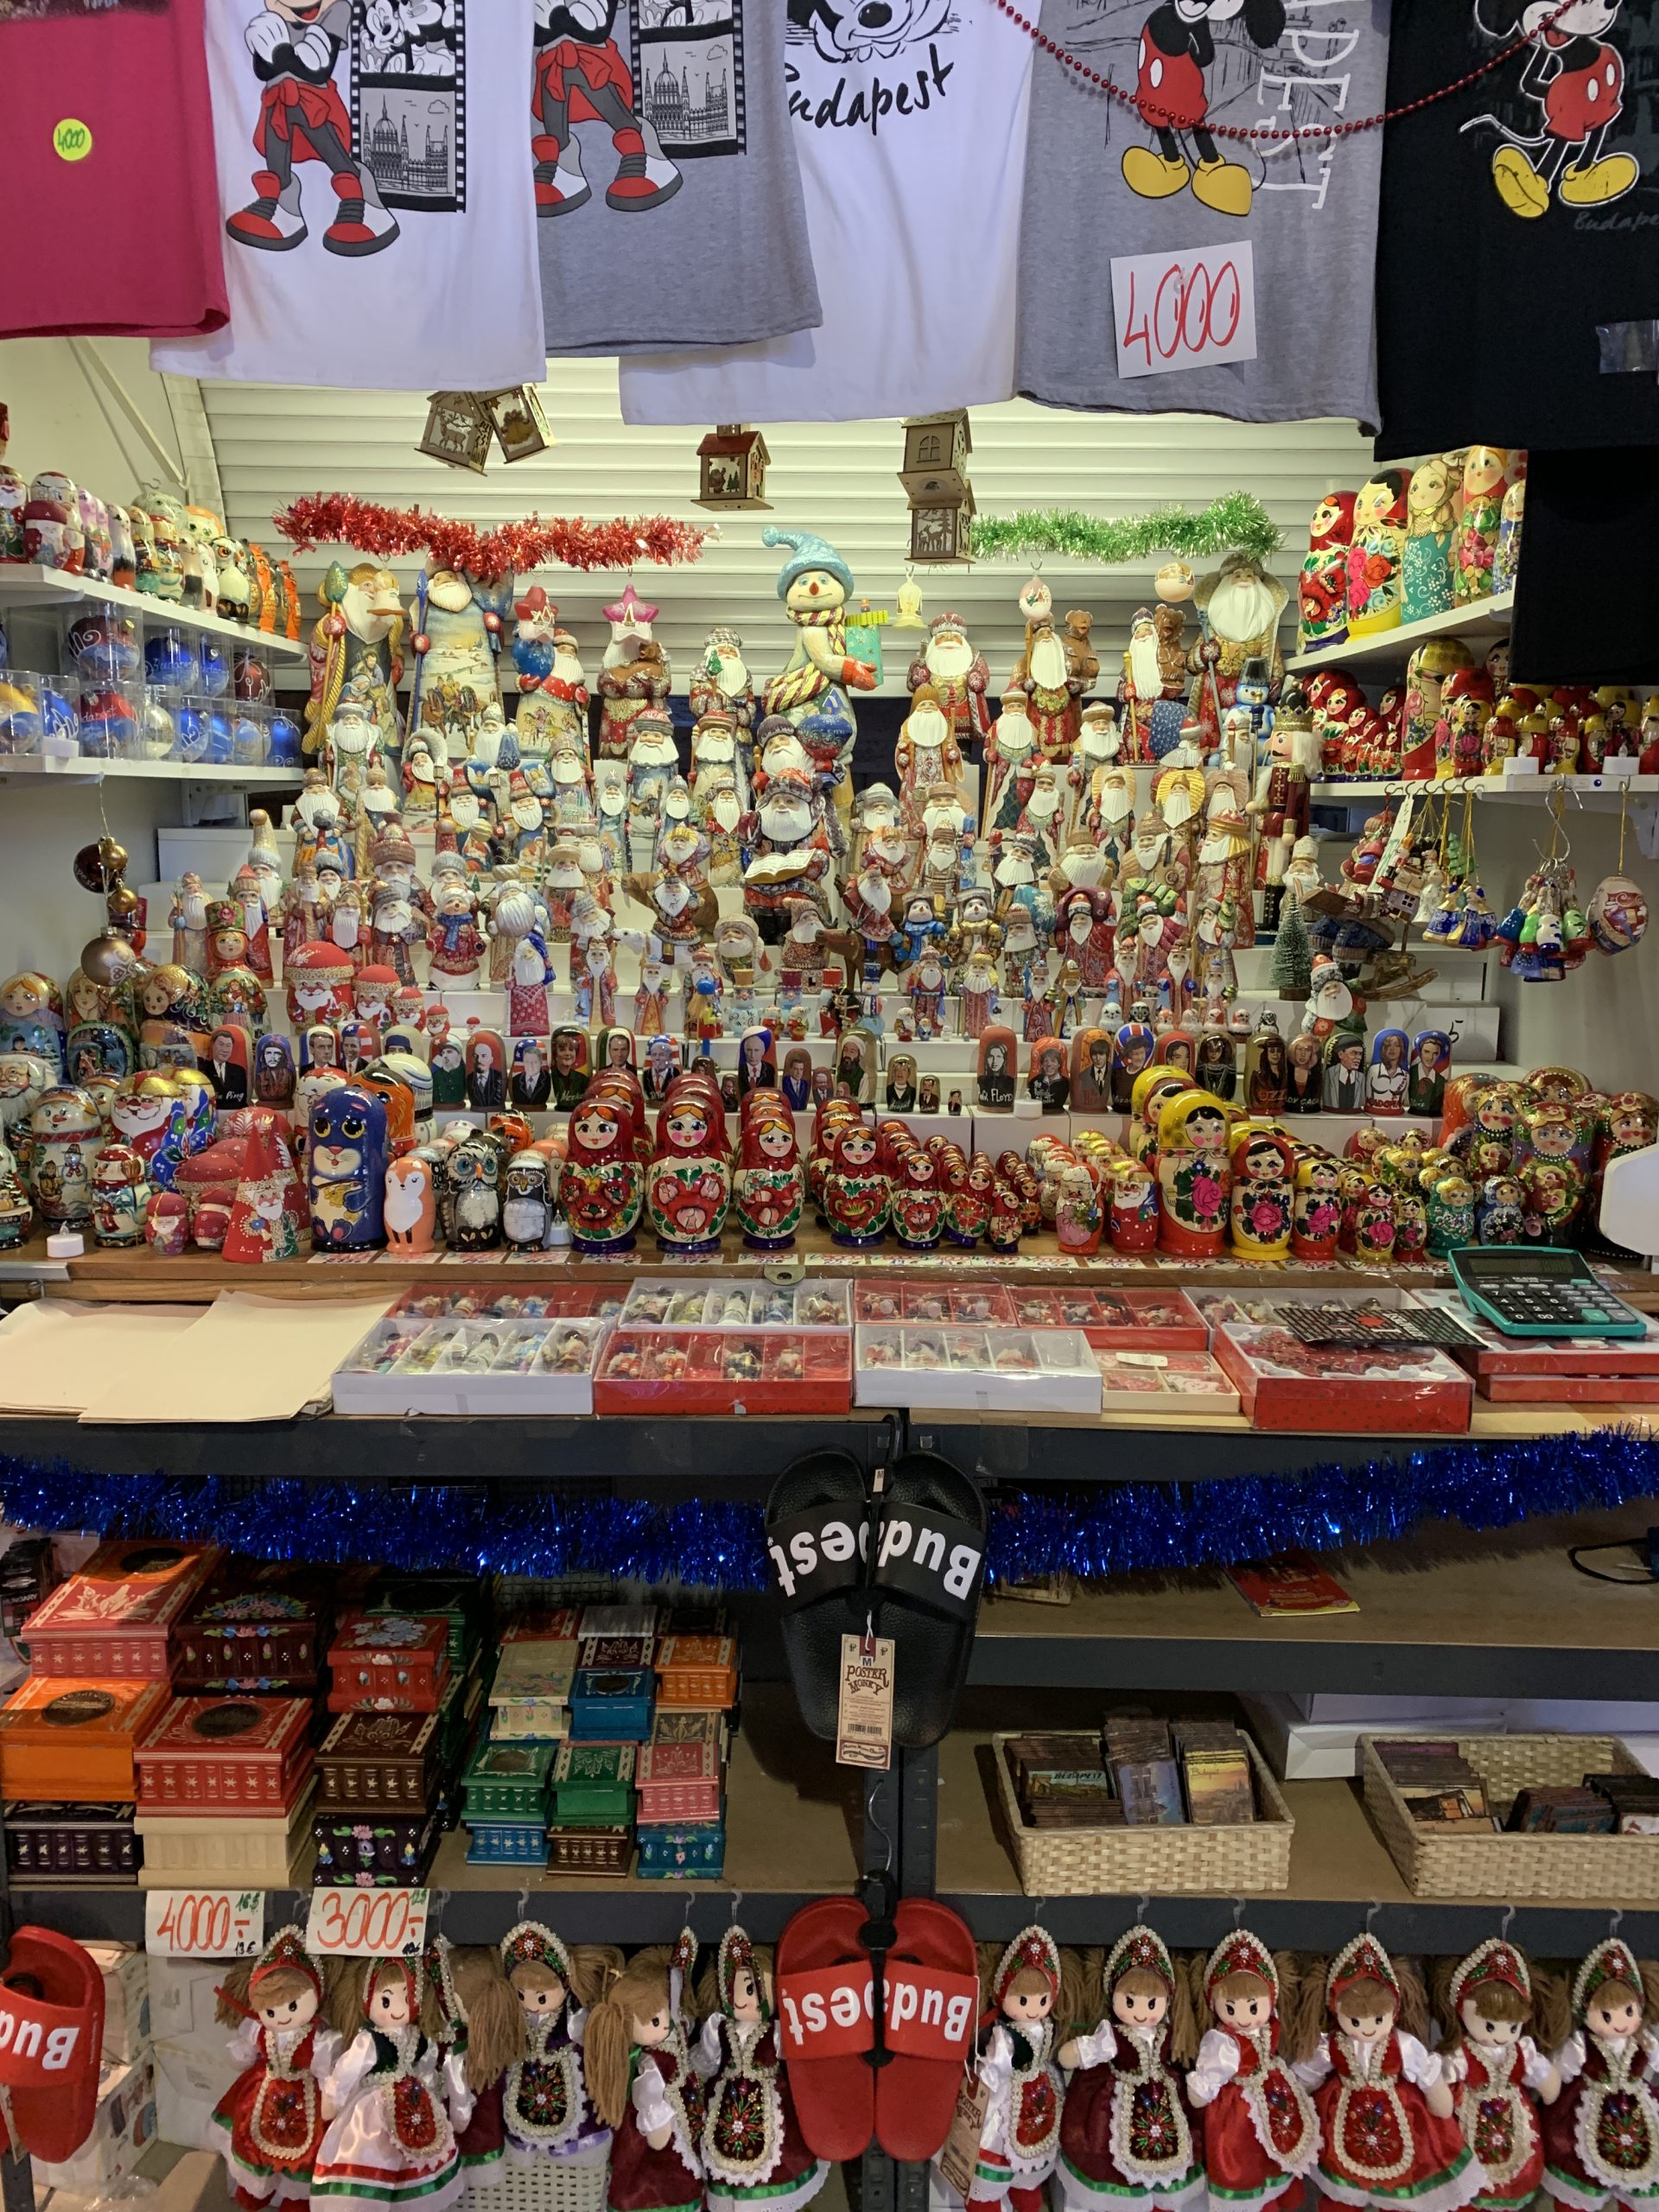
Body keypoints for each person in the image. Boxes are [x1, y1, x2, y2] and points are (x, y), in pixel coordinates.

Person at [1409, 1031, 1450, 1116]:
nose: (1430, 1057)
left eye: (1435, 1053)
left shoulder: (1441, 1080)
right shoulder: (1411, 1074)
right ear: (1420, 1052)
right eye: (1426, 1052)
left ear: (1439, 1055)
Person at [510, 1039, 552, 1111]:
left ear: (541, 1062)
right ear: (523, 1062)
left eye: (535, 1062)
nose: (530, 1066)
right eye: (527, 1062)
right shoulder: (516, 1079)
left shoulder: (546, 1078)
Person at [781, 1046, 813, 1111]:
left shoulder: (805, 1084)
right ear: (790, 1069)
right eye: (796, 1069)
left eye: (801, 1069)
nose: (799, 1072)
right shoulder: (786, 1082)